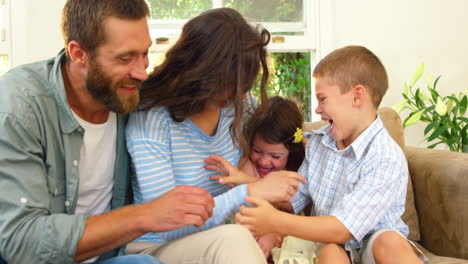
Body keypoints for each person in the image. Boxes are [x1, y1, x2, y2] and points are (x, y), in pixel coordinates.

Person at [0, 0, 216, 263]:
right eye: (125, 58)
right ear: (78, 53)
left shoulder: (130, 97)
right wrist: (144, 215)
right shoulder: (19, 107)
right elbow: (19, 241)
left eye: (145, 53)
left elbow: (214, 92)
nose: (141, 73)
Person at [125, 8, 305, 264]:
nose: (244, 96)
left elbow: (288, 138)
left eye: (246, 86)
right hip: (158, 246)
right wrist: (249, 192)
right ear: (205, 75)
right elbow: (162, 223)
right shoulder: (152, 119)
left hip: (223, 239)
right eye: (237, 86)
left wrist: (273, 224)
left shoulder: (237, 106)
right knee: (234, 239)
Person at [236, 46, 429, 264]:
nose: (317, 110)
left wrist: (274, 222)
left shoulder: (385, 156)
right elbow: (292, 200)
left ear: (357, 96)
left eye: (322, 98)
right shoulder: (319, 144)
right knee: (330, 251)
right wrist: (245, 181)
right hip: (331, 246)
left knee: (390, 242)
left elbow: (343, 228)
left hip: (372, 247)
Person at [204, 96, 306, 260]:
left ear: (292, 151)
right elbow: (249, 212)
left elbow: (293, 207)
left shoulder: (296, 169)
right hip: (249, 229)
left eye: (275, 156)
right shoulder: (248, 166)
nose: (264, 161)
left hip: (284, 230)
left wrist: (276, 232)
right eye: (257, 150)